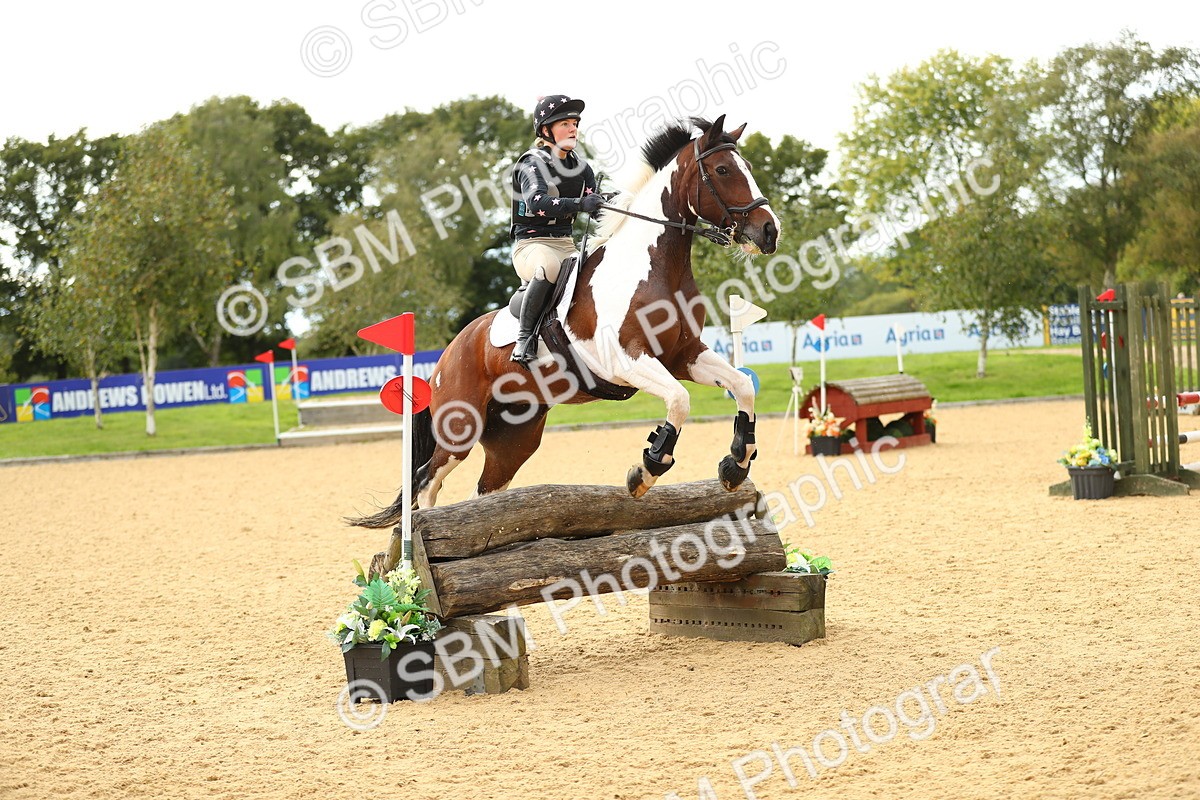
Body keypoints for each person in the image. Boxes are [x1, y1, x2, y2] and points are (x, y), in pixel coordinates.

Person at [509, 94, 604, 367]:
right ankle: (525, 338)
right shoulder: (531, 163)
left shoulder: (582, 168)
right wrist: (580, 203)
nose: (573, 128)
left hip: (566, 243)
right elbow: (536, 201)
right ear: (546, 130)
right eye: (565, 123)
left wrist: (614, 204)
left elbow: (594, 207)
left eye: (574, 123)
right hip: (530, 246)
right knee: (549, 267)